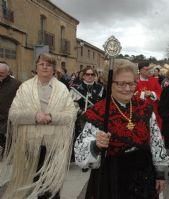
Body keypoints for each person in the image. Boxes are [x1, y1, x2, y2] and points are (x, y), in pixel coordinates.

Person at [74, 61, 169, 199]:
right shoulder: (99, 112)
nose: (127, 88)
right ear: (109, 83)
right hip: (111, 179)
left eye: (131, 83)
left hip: (143, 176)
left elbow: (156, 141)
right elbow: (80, 153)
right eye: (121, 84)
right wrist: (96, 144)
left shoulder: (144, 108)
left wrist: (160, 173)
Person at [0, 53, 77, 199]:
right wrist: (35, 116)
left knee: (52, 186)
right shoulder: (25, 88)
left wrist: (52, 118)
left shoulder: (62, 89)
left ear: (54, 69)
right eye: (41, 64)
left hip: (54, 145)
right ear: (36, 67)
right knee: (34, 183)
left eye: (49, 65)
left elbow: (71, 114)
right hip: (31, 145)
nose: (45, 67)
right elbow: (14, 114)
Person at [70, 66, 105, 163]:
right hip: (80, 117)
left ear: (95, 76)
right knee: (80, 137)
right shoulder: (76, 88)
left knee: (93, 137)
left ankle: (92, 156)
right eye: (87, 74)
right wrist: (79, 110)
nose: (90, 76)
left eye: (92, 74)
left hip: (96, 118)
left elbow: (104, 104)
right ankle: (79, 157)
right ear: (83, 76)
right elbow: (70, 104)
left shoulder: (101, 88)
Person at [0, 61, 21, 160]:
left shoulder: (17, 84)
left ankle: (9, 151)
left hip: (8, 115)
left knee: (5, 135)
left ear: (8, 73)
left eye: (2, 73)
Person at [135, 62, 162, 128]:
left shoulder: (154, 80)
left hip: (153, 110)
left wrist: (152, 93)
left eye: (151, 69)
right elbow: (131, 93)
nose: (150, 71)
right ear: (141, 70)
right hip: (138, 111)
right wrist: (143, 94)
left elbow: (160, 92)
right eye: (147, 69)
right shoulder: (134, 80)